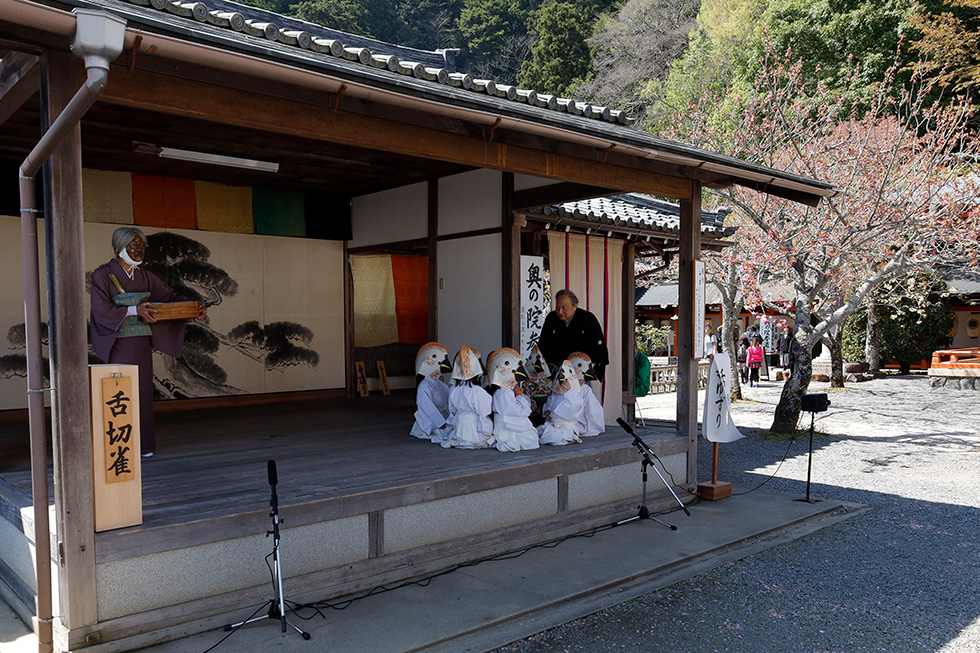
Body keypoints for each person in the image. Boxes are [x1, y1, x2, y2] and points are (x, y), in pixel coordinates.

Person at [90, 227, 206, 457]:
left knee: (142, 392)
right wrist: (134, 309)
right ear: (119, 248)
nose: (139, 250)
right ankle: (120, 447)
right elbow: (100, 309)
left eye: (142, 246)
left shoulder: (145, 276)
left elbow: (170, 297)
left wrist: (194, 308)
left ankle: (143, 445)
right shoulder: (102, 275)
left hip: (141, 341)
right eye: (133, 245)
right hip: (118, 342)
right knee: (120, 393)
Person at [537, 290, 608, 382]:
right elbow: (543, 344)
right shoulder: (552, 318)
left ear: (575, 306)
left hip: (580, 369)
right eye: (557, 307)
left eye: (563, 308)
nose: (560, 311)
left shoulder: (587, 319)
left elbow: (597, 346)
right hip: (556, 369)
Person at [486, 348, 539, 452]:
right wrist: (519, 396)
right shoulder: (504, 392)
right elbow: (514, 411)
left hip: (503, 424)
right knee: (529, 439)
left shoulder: (503, 391)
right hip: (507, 427)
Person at [442, 345, 493, 449]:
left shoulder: (454, 390)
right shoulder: (478, 391)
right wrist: (487, 429)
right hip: (474, 428)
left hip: (459, 428)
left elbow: (452, 410)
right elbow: (484, 412)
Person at [409, 342, 453, 442]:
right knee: (444, 433)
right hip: (431, 419)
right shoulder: (424, 385)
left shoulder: (443, 385)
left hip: (444, 416)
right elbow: (426, 406)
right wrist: (440, 423)